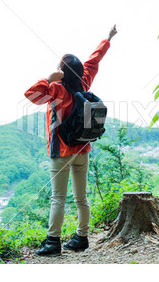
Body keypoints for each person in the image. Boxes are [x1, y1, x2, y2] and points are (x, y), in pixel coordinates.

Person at [24, 25, 117, 256]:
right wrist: (108, 38)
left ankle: (53, 242)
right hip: (83, 150)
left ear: (62, 72)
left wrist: (48, 78)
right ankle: (81, 238)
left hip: (61, 151)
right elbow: (93, 61)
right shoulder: (84, 83)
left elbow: (31, 95)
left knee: (58, 198)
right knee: (81, 198)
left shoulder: (56, 89)